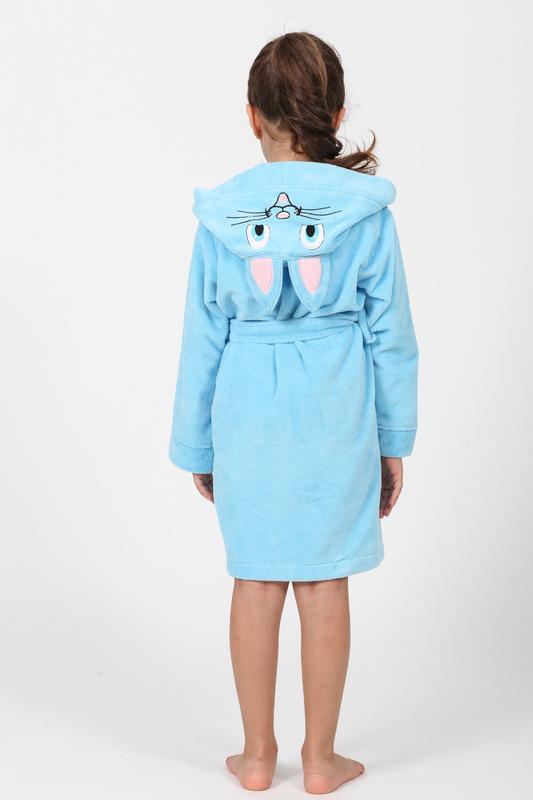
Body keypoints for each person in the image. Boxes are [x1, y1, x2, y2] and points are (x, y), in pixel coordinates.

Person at [169, 31, 418, 794]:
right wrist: (391, 439)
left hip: (246, 410)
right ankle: (319, 759)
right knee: (323, 581)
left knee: (254, 578)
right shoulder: (365, 215)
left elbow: (202, 337)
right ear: (335, 114)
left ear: (252, 116)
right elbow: (391, 335)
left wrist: (198, 444)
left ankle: (254, 757)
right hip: (335, 410)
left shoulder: (221, 217)